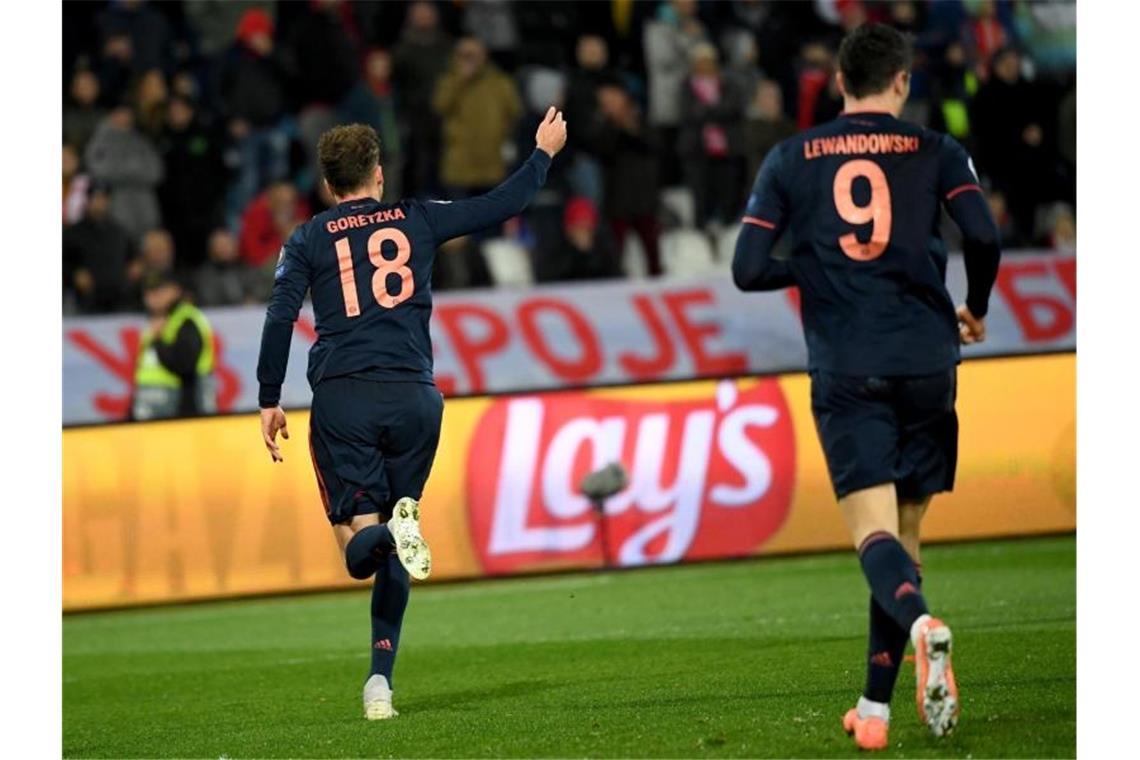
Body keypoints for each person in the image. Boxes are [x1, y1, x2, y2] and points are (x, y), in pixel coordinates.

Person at [731, 24, 1001, 750]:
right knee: (906, 539)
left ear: (839, 83)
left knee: (873, 535)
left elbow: (749, 268)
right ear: (903, 81)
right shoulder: (937, 150)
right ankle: (874, 711)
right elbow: (984, 235)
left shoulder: (793, 157)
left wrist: (819, 267)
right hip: (927, 357)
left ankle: (922, 626)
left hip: (849, 361)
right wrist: (976, 305)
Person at [255, 111, 567, 720]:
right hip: (417, 398)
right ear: (377, 174)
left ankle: (386, 539)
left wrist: (270, 396)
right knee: (395, 543)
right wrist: (542, 153)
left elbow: (278, 316)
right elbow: (505, 203)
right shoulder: (418, 217)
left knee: (356, 547)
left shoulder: (309, 238)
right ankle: (379, 684)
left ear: (327, 186)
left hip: (346, 396)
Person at [132, 271, 218, 421]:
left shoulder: (186, 320)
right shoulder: (155, 321)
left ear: (175, 290)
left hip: (183, 406)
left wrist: (159, 341)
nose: (152, 297)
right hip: (150, 402)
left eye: (159, 291)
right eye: (148, 292)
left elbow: (185, 365)